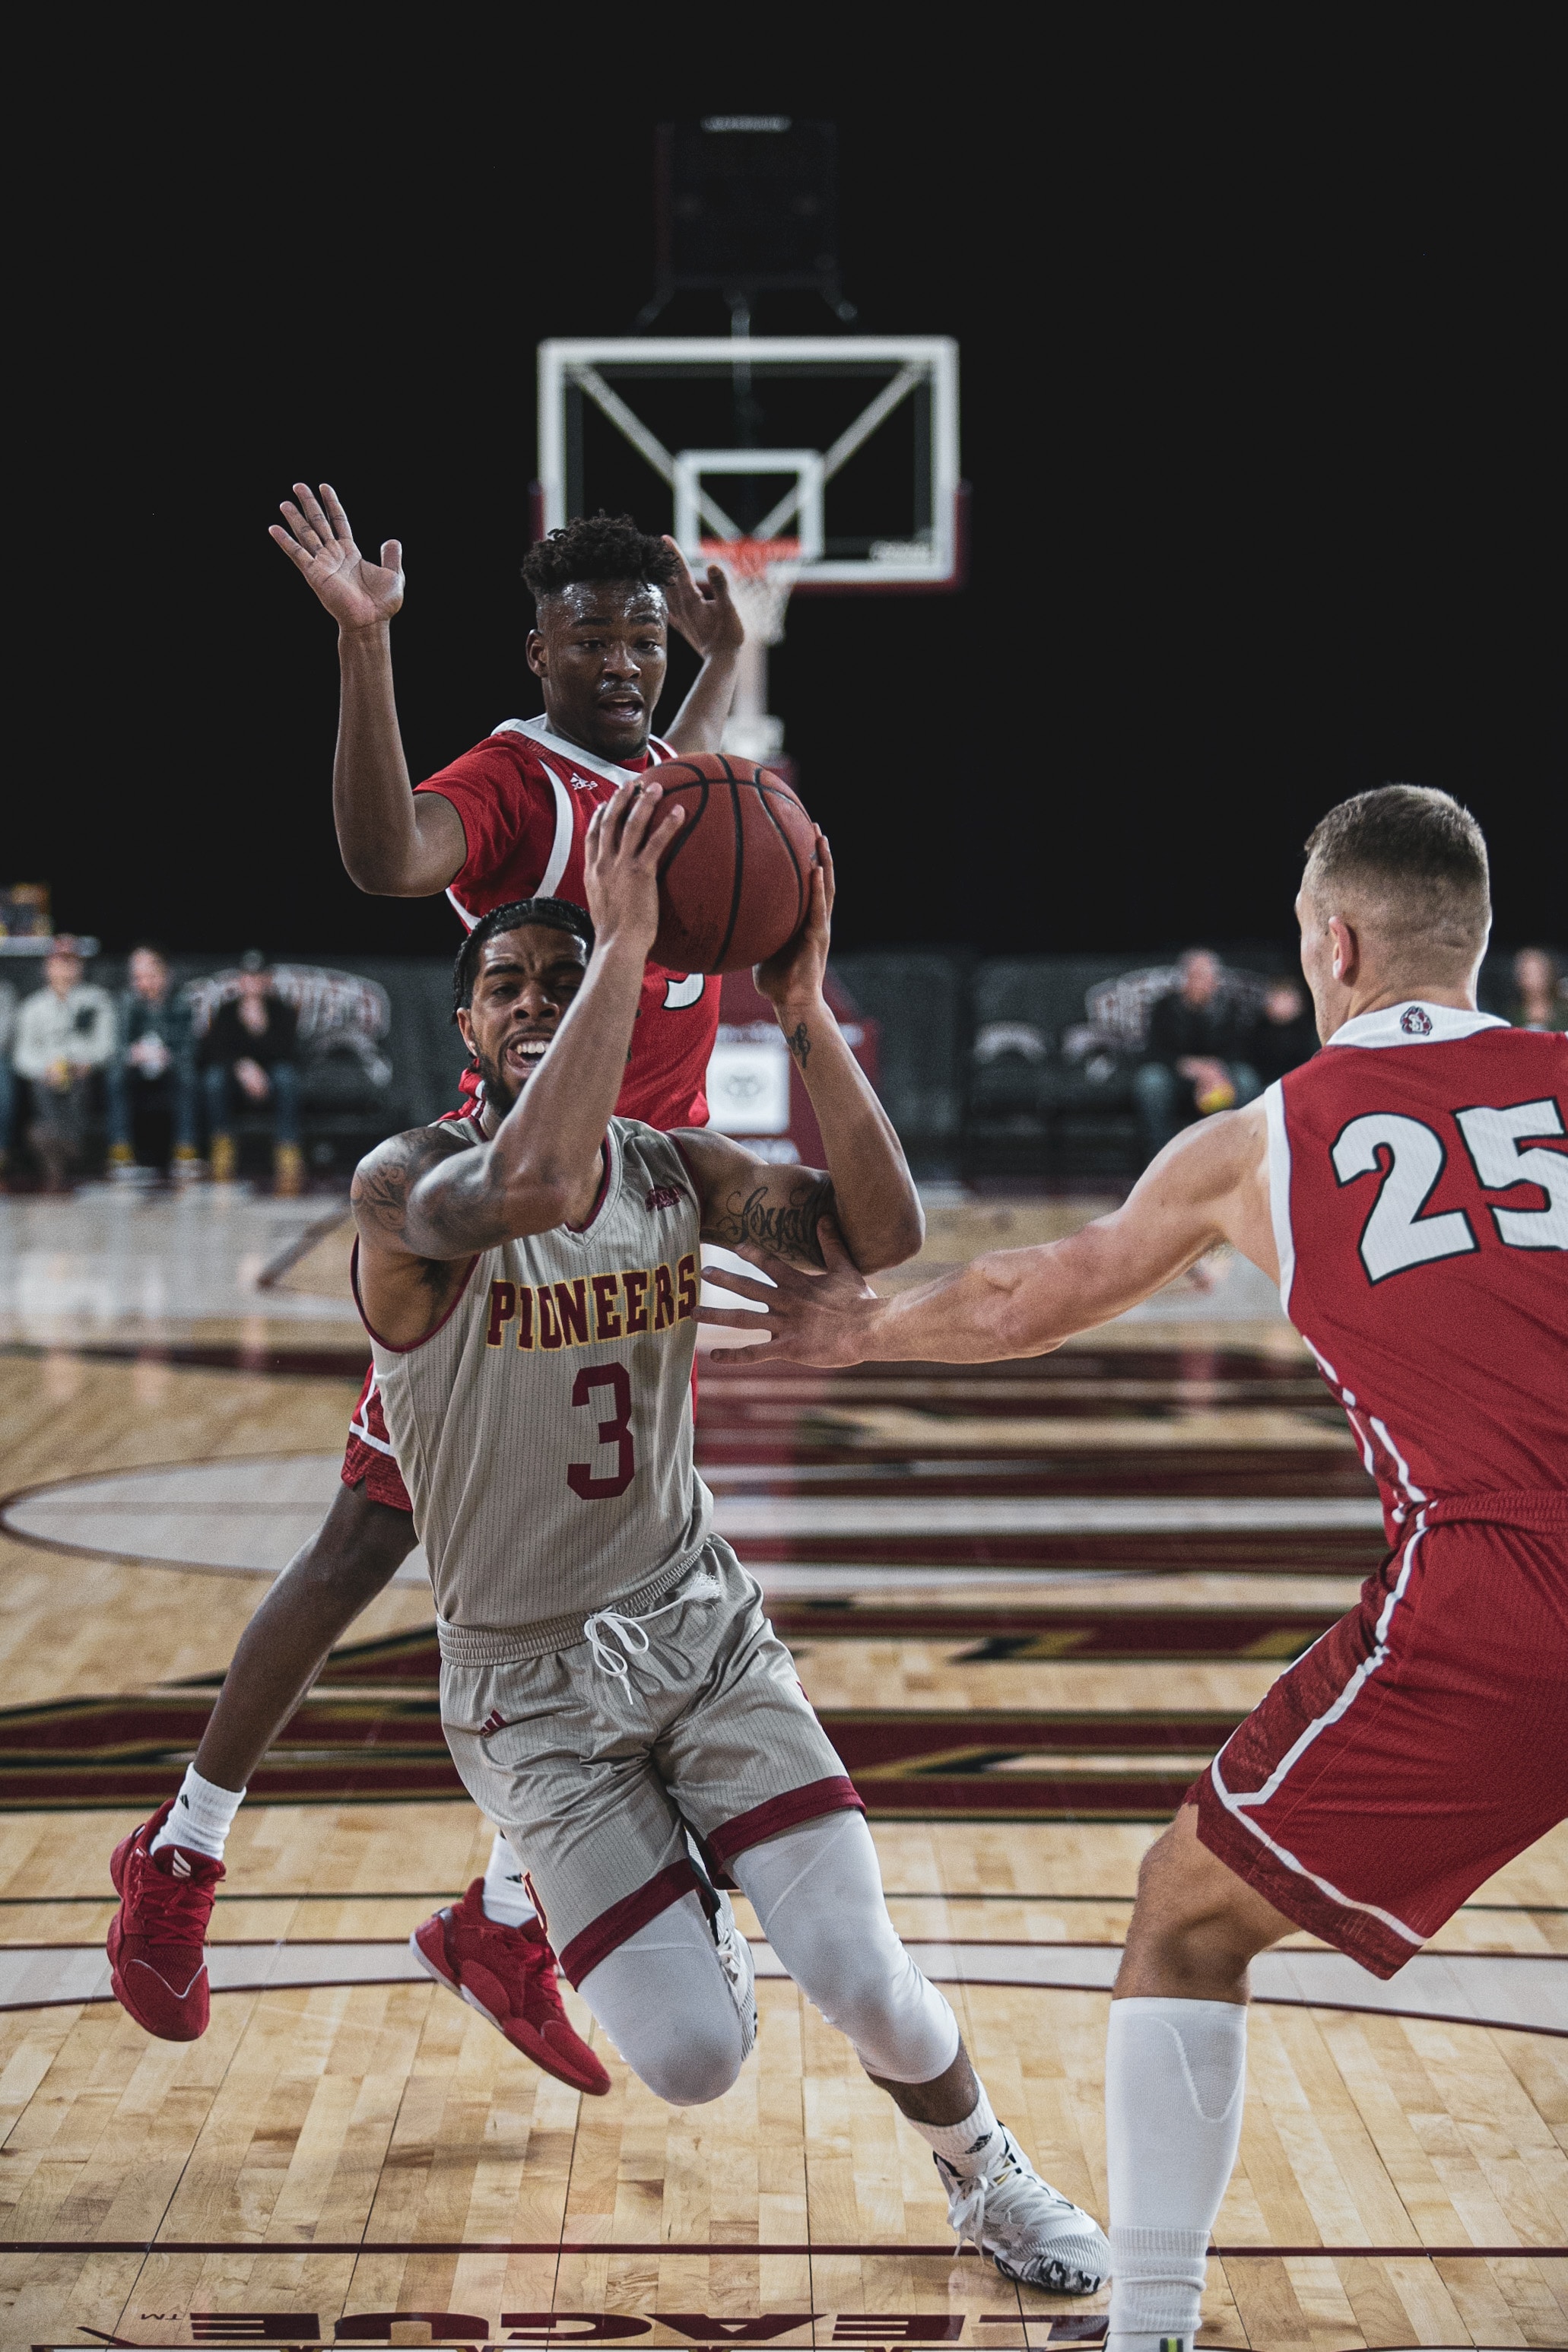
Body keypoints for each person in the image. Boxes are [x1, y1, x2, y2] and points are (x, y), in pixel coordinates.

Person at [115, 784, 1111, 2290]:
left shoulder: (675, 1168)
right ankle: (668, 1882)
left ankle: (986, 2171)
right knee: (696, 2059)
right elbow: (525, 1183)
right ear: (463, 1026)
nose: (534, 998)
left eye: (563, 977)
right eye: (506, 982)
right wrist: (624, 940)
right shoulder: (402, 1185)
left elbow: (881, 1234)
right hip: (528, 1692)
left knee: (865, 1976)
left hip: (699, 1633)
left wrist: (803, 1010)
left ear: (618, 1000)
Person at [702, 784, 1567, 2352]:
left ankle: (1148, 2326)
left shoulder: (1265, 1138)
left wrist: (859, 1331)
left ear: (1331, 943)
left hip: (1503, 1589)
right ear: (1478, 940)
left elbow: (1030, 1292)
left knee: (1184, 1913)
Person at [103, 491, 747, 2097]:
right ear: (538, 650)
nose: (623, 661)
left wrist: (723, 669)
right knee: (366, 1536)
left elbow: (677, 776)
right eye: (592, 638)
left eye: (643, 638)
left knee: (595, 1567)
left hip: (636, 1240)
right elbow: (387, 854)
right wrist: (363, 646)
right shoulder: (520, 780)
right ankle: (180, 1850)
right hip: (503, 1229)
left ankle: (506, 1919)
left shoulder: (668, 785)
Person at [1132, 948, 1262, 1163]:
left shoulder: (1229, 1008)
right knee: (1150, 1081)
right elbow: (1154, 1052)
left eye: (1208, 976)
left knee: (1247, 1079)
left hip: (1218, 1074)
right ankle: (1160, 1159)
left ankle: (1239, 1157)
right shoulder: (1165, 1007)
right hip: (1178, 1074)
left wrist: (1215, 1068)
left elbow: (1240, 1050)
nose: (1202, 982)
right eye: (1196, 975)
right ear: (1185, 978)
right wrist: (1187, 1065)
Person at [11, 941, 115, 1190]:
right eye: (58, 962)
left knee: (79, 1085)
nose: (64, 969)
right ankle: (69, 1149)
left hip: (83, 1073)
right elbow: (22, 1055)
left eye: (71, 962)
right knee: (42, 1087)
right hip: (45, 1076)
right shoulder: (33, 1006)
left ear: (81, 966)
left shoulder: (96, 1000)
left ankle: (50, 1145)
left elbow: (106, 1045)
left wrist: (85, 1062)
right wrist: (44, 1069)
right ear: (47, 967)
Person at [198, 952, 303, 1191]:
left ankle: (287, 1147)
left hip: (270, 1077)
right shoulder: (227, 1010)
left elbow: (289, 1054)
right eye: (247, 977)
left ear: (267, 980)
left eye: (258, 977)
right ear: (240, 980)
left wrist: (260, 1030)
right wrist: (242, 1066)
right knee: (213, 1080)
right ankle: (222, 1145)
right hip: (236, 1078)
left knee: (286, 1077)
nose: (253, 983)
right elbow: (213, 1052)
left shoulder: (281, 1010)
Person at [108, 944, 199, 1179]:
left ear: (164, 975)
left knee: (187, 1074)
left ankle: (185, 1149)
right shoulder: (127, 1001)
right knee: (116, 1075)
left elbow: (190, 1049)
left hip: (170, 1066)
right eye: (138, 977)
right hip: (136, 1068)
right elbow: (117, 1048)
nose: (144, 983)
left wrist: (168, 1056)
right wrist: (133, 1054)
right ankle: (120, 1150)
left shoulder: (181, 1001)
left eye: (150, 975)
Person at [1245, 972, 1316, 1083]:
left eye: (1288, 998)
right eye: (1279, 998)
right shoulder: (1256, 1028)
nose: (1283, 1004)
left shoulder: (1308, 1033)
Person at [1512, 944, 1566, 1031]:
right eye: (1525, 973)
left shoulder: (1564, 1014)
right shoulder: (1512, 1017)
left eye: (1536, 972)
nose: (1531, 979)